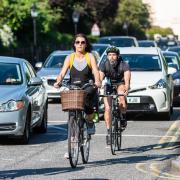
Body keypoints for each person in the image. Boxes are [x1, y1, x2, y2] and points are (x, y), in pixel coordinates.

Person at [54, 33, 101, 135]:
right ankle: (73, 124)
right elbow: (62, 73)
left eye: (82, 42)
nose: (80, 44)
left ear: (86, 45)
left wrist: (97, 81)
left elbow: (95, 71)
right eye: (77, 42)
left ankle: (89, 122)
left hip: (87, 85)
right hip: (73, 85)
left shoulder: (90, 56)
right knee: (71, 103)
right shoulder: (70, 57)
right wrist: (58, 81)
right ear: (74, 44)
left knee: (88, 96)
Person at [99, 46, 131, 145]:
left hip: (120, 83)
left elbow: (127, 77)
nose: (111, 57)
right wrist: (98, 85)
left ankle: (123, 118)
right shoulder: (104, 64)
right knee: (107, 108)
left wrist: (127, 87)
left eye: (113, 55)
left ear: (117, 56)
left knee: (121, 97)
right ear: (107, 56)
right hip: (109, 84)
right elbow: (100, 77)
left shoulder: (124, 64)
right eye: (109, 55)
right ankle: (109, 132)